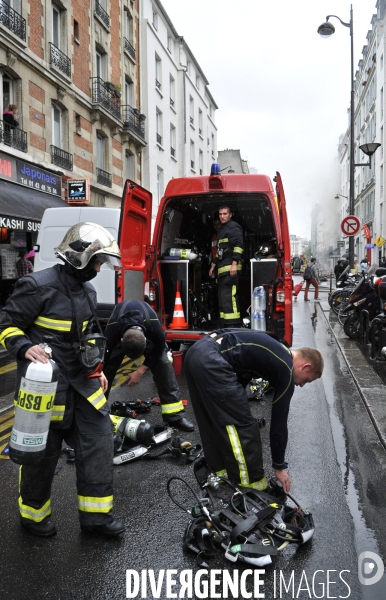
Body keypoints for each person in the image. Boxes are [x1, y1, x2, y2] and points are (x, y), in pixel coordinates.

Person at [0, 222, 125, 538]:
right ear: (81, 256)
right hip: (45, 388)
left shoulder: (89, 292)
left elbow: (85, 339)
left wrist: (97, 370)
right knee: (41, 454)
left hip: (82, 384)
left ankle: (96, 518)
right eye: (97, 261)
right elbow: (6, 324)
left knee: (98, 442)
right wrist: (25, 346)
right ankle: (33, 516)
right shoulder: (36, 286)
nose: (99, 268)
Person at [184, 329, 323, 493]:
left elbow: (242, 371)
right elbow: (279, 424)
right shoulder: (286, 368)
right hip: (211, 360)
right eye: (306, 379)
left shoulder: (274, 347)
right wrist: (279, 466)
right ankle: (252, 488)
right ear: (305, 366)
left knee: (212, 418)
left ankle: (221, 474)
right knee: (243, 427)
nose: (301, 385)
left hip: (195, 353)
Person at [103, 300, 194, 431]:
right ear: (121, 340)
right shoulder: (112, 330)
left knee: (163, 365)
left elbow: (158, 351)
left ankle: (176, 417)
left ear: (145, 339)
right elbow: (104, 356)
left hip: (143, 331)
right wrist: (100, 372)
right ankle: (98, 416)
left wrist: (140, 371)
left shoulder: (155, 329)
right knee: (105, 371)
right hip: (122, 333)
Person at [209, 205, 244, 326]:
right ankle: (225, 324)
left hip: (231, 270)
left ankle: (234, 324)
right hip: (223, 270)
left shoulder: (233, 227)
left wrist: (234, 264)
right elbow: (220, 251)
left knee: (230, 298)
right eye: (220, 214)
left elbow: (239, 246)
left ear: (230, 215)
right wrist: (213, 265)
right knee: (223, 298)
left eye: (225, 214)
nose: (222, 216)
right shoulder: (222, 230)